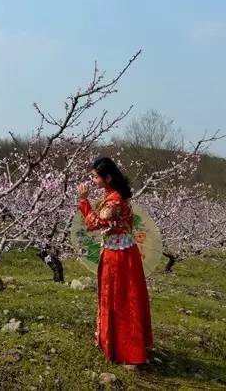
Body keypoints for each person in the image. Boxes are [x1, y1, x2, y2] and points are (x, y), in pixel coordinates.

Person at [77, 157, 154, 369]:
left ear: (107, 178)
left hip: (118, 257)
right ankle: (116, 344)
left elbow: (94, 223)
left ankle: (128, 351)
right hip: (121, 252)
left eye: (95, 176)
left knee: (121, 299)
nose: (92, 180)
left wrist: (83, 200)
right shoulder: (113, 196)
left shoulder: (114, 201)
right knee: (120, 297)